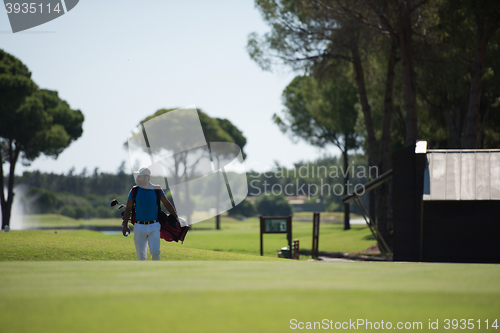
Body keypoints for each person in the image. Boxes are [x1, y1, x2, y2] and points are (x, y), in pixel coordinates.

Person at [122, 167, 179, 260]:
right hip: (139, 226)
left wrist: (177, 217)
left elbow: (167, 204)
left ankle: (155, 273)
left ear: (146, 178)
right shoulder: (134, 190)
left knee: (156, 253)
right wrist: (125, 226)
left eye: (139, 176)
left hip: (154, 225)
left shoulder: (157, 189)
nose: (137, 179)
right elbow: (128, 209)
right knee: (141, 257)